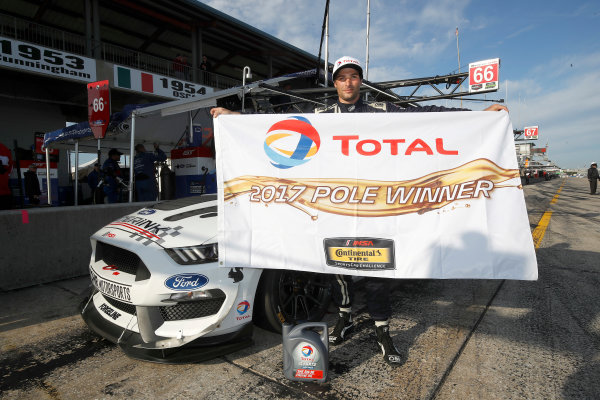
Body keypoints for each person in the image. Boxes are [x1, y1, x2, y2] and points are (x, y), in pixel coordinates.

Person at [210, 55, 508, 366]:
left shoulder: (382, 111)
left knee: (378, 270)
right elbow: (273, 126)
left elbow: (430, 118)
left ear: (360, 81)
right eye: (342, 77)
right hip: (334, 207)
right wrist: (234, 118)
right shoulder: (321, 115)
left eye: (354, 76)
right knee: (335, 268)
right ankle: (345, 318)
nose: (348, 82)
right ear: (335, 82)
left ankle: (382, 329)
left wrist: (479, 115)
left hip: (374, 206)